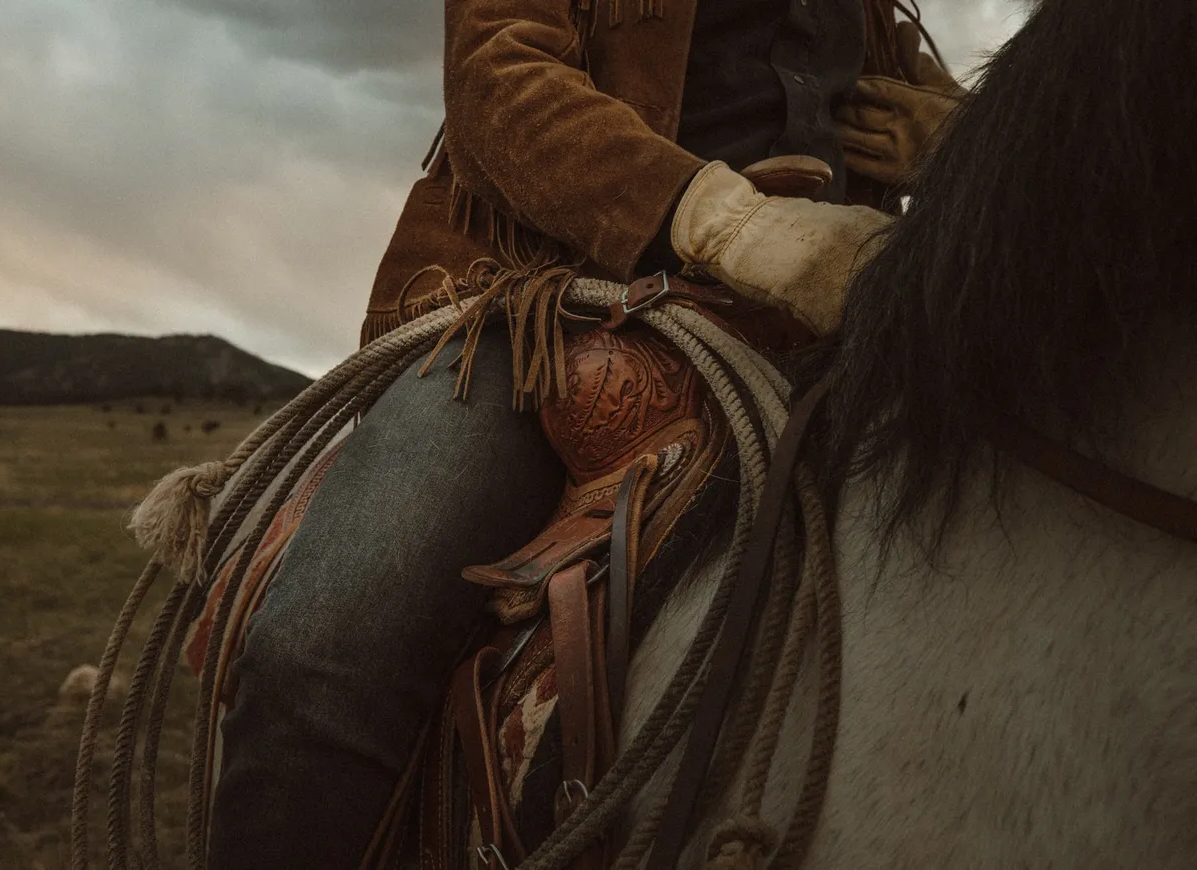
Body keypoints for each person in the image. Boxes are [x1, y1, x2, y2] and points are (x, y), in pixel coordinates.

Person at [207, 2, 961, 867]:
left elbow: (918, 94)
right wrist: (725, 223)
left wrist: (960, 143)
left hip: (835, 319)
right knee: (323, 655)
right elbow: (500, 80)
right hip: (545, 306)